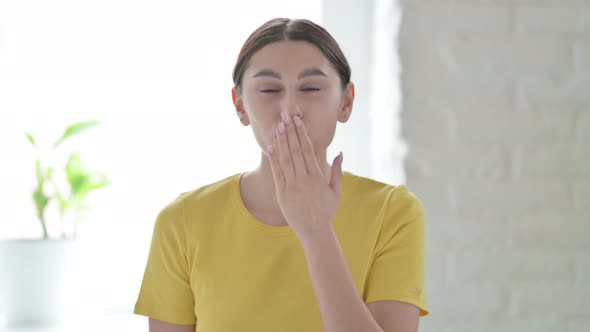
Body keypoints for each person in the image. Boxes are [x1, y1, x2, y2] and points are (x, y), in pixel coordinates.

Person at [133, 17, 428, 332]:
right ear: (240, 106)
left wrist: (316, 232)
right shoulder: (182, 221)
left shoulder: (392, 212)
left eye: (311, 88)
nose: (290, 110)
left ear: (346, 102)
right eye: (270, 90)